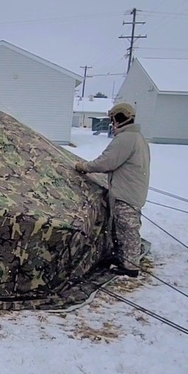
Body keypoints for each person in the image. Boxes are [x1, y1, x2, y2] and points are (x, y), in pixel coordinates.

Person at [74, 102, 151, 277]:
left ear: (119, 118)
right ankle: (125, 258)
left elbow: (106, 162)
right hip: (132, 189)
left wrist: (84, 166)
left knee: (127, 228)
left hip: (126, 192)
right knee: (122, 227)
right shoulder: (137, 137)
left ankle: (131, 266)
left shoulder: (126, 139)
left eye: (113, 118)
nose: (112, 123)